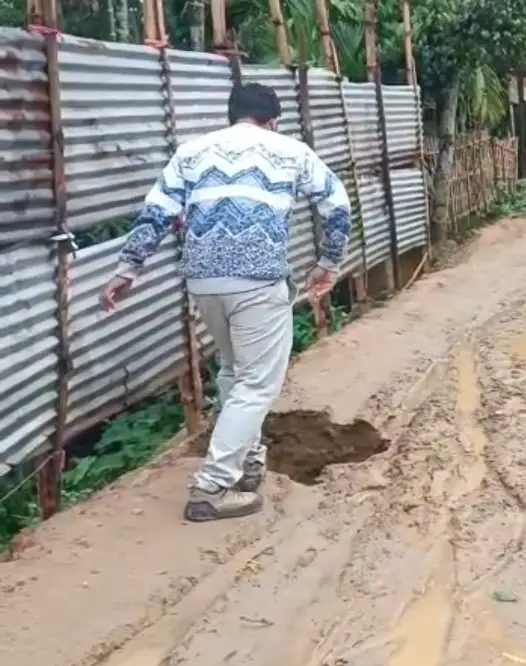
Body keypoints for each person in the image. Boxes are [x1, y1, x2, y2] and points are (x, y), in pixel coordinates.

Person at [100, 83, 352, 522]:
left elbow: (156, 213)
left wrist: (127, 270)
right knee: (257, 383)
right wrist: (328, 262)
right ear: (273, 120)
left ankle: (249, 462)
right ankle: (212, 487)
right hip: (256, 281)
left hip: (203, 281)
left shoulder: (193, 152)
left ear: (232, 115)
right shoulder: (290, 150)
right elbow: (338, 205)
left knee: (236, 372)